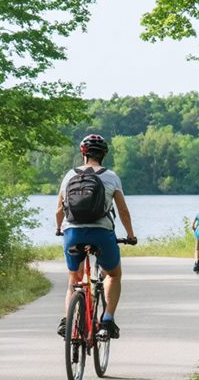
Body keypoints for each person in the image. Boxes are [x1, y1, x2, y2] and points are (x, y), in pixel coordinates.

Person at [55, 134, 137, 339]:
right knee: (113, 274)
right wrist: (130, 235)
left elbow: (59, 210)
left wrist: (59, 229)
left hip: (72, 232)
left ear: (83, 153)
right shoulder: (111, 177)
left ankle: (67, 321)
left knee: (74, 278)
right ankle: (107, 321)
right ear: (103, 155)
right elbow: (123, 211)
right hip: (101, 233)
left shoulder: (68, 176)